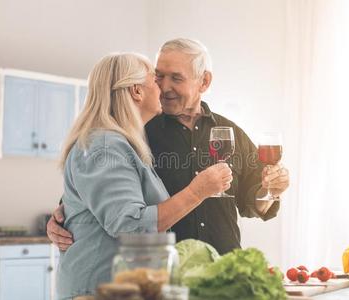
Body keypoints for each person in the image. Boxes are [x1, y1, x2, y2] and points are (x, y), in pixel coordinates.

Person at [48, 38, 290, 256]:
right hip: (165, 277)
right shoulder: (137, 132)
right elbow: (95, 190)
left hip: (225, 269)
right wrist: (61, 217)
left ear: (204, 81)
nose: (164, 87)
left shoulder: (230, 133)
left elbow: (253, 204)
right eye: (158, 77)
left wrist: (270, 190)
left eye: (176, 78)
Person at [55, 52, 232, 299]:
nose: (162, 88)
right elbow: (130, 226)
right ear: (137, 91)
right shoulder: (106, 146)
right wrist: (197, 191)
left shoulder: (122, 144)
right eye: (155, 79)